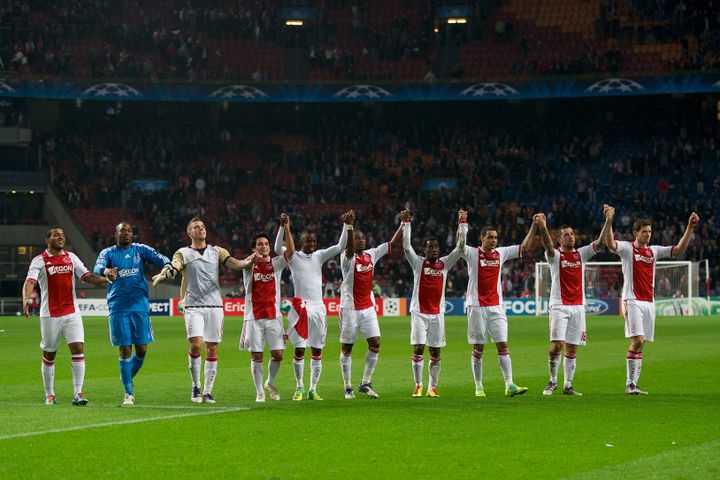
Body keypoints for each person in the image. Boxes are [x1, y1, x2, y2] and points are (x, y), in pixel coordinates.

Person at [152, 217, 259, 403]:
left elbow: (234, 263)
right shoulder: (183, 252)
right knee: (195, 344)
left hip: (215, 306)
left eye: (202, 226)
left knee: (212, 347)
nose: (201, 229)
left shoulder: (217, 251)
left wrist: (247, 262)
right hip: (193, 305)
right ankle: (196, 387)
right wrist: (168, 272)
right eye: (196, 227)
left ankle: (208, 391)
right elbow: (175, 265)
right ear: (189, 233)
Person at [604, 205, 699, 394]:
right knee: (637, 341)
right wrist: (609, 221)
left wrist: (690, 227)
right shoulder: (627, 249)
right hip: (632, 300)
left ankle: (634, 384)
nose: (648, 235)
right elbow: (610, 244)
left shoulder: (654, 251)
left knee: (642, 344)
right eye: (644, 231)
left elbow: (678, 250)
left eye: (650, 231)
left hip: (649, 302)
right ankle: (629, 384)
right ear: (635, 233)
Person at [22, 226, 112, 406]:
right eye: (56, 235)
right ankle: (50, 394)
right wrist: (26, 299)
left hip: (72, 312)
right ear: (47, 239)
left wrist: (105, 279)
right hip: (49, 315)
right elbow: (30, 281)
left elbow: (86, 276)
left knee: (78, 348)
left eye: (63, 235)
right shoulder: (39, 261)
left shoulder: (71, 257)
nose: (61, 238)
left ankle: (78, 393)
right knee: (49, 354)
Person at [275, 210, 354, 401]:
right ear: (301, 241)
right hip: (300, 307)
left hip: (318, 307)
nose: (311, 244)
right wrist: (283, 227)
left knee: (317, 349)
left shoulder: (319, 255)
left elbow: (341, 245)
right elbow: (278, 248)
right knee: (300, 349)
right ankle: (299, 387)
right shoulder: (293, 256)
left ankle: (313, 388)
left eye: (313, 242)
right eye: (308, 241)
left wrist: (347, 225)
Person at [458, 213, 537, 397]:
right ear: (482, 238)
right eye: (490, 237)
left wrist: (534, 225)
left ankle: (509, 385)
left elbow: (524, 248)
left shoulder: (500, 253)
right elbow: (460, 244)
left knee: (503, 345)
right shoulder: (471, 253)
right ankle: (478, 385)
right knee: (478, 348)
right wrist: (462, 223)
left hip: (496, 307)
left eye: (495, 238)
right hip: (476, 307)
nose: (494, 241)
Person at [94, 222, 172, 405]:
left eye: (129, 231)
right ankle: (128, 392)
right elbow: (97, 268)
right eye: (123, 231)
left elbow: (162, 258)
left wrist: (167, 267)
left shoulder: (140, 250)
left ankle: (126, 377)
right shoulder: (108, 253)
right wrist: (106, 272)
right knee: (125, 348)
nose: (127, 233)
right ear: (116, 234)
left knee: (142, 349)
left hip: (140, 305)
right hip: (118, 306)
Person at [535, 211, 612, 396]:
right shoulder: (555, 256)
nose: (571, 236)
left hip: (578, 306)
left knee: (572, 347)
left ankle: (568, 385)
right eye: (566, 234)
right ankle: (552, 381)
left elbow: (601, 243)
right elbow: (547, 245)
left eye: (572, 233)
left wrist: (608, 220)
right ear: (560, 239)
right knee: (557, 345)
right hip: (559, 305)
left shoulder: (581, 254)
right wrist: (544, 228)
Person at [402, 209, 465, 398]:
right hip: (419, 312)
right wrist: (406, 223)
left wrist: (462, 224)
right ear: (424, 250)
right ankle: (418, 385)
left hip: (437, 314)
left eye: (436, 247)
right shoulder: (418, 263)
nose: (434, 249)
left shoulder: (444, 264)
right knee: (418, 347)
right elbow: (406, 247)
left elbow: (460, 248)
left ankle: (433, 387)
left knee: (435, 351)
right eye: (430, 247)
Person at [339, 218, 403, 399]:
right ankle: (347, 386)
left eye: (363, 238)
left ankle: (365, 383)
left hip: (368, 307)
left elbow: (392, 244)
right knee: (347, 348)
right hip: (350, 308)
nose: (361, 240)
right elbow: (350, 250)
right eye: (357, 238)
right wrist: (350, 227)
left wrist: (403, 224)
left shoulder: (371, 254)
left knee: (375, 343)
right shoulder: (346, 256)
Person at [240, 214, 295, 402]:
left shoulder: (276, 264)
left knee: (278, 355)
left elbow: (291, 252)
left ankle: (269, 382)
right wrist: (251, 260)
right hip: (253, 317)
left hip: (273, 316)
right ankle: (259, 392)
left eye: (266, 244)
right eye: (260, 244)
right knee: (256, 355)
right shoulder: (248, 265)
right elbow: (244, 264)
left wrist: (285, 227)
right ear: (254, 248)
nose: (263, 246)